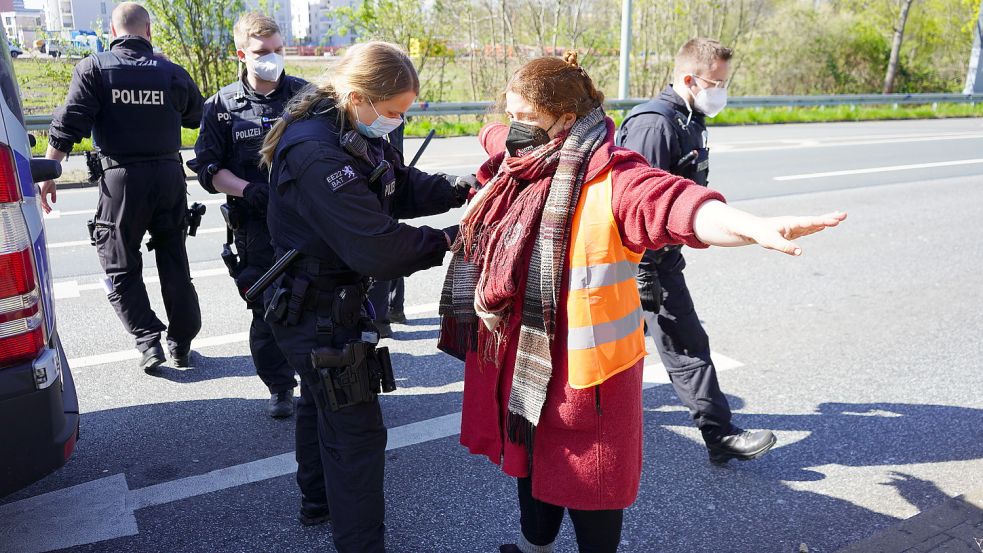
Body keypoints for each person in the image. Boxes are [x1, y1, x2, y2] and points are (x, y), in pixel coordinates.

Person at [440, 52, 845, 553]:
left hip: (587, 380)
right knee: (530, 462)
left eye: (526, 117)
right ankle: (533, 545)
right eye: (512, 115)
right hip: (526, 361)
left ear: (566, 120)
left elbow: (672, 203)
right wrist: (493, 131)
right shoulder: (527, 155)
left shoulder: (612, 177)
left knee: (594, 489)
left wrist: (748, 226)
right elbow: (495, 137)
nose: (515, 128)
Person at [258, 41, 474, 552]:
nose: (396, 124)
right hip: (315, 308)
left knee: (319, 402)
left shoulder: (350, 128)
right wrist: (449, 238)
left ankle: (317, 502)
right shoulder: (316, 149)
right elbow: (377, 246)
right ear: (359, 96)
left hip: (321, 301)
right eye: (394, 112)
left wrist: (463, 186)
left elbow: (395, 184)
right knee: (357, 438)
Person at [615, 38, 777, 465]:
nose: (721, 90)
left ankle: (718, 436)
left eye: (724, 81)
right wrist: (645, 271)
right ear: (688, 78)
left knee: (682, 343)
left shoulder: (689, 118)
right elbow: (637, 205)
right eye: (716, 82)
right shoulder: (655, 125)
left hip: (659, 260)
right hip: (637, 264)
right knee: (639, 349)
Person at [40, 2, 204, 371]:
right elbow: (196, 116)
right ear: (148, 31)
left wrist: (49, 172)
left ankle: (148, 341)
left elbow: (69, 125)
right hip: (168, 177)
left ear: (113, 33)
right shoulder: (171, 71)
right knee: (174, 258)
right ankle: (181, 342)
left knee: (119, 261)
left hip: (121, 180)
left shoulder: (94, 68)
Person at [188, 13, 305, 419]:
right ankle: (279, 386)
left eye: (277, 50)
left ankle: (315, 374)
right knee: (268, 305)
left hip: (305, 219)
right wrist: (247, 190)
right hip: (255, 225)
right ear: (242, 54)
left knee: (315, 297)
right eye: (261, 52)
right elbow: (208, 168)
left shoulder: (305, 97)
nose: (272, 58)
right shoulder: (221, 107)